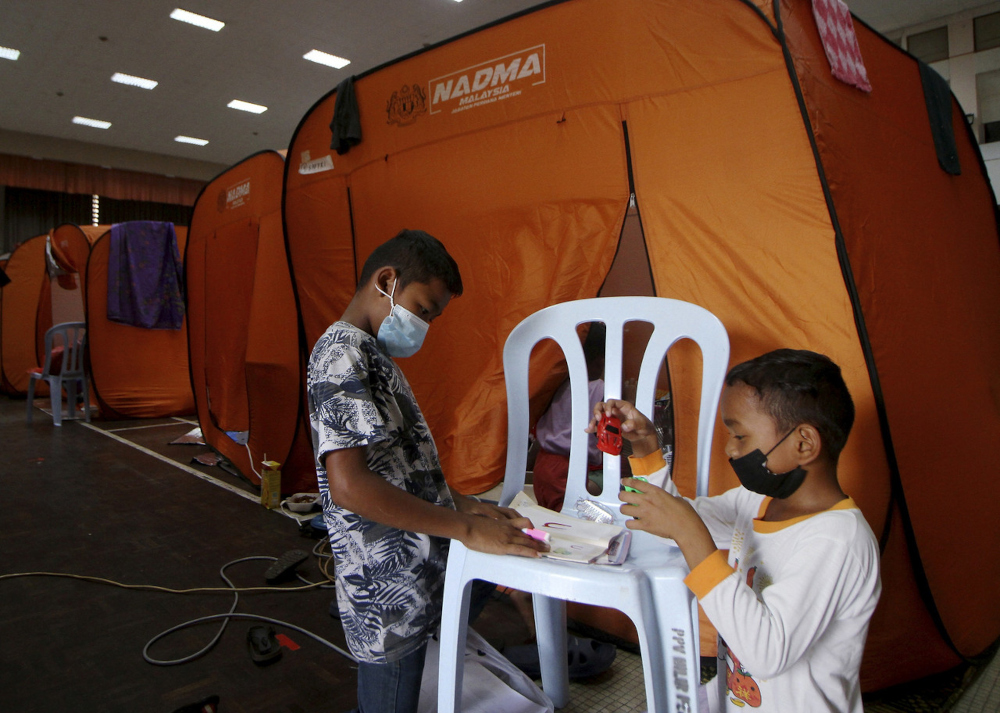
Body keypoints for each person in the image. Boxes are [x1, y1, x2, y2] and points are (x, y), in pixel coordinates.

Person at [307, 229, 546, 713]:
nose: (424, 325)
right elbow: (351, 486)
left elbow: (403, 469)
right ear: (387, 281)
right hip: (385, 589)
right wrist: (464, 528)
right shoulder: (340, 356)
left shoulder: (374, 356)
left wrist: (471, 508)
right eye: (422, 308)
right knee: (391, 693)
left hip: (415, 574)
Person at [590, 349, 881, 712]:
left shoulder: (838, 540)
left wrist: (692, 538)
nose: (729, 447)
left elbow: (766, 652)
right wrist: (646, 444)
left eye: (740, 436)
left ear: (804, 443)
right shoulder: (756, 501)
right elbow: (682, 518)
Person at [532, 322, 606, 512]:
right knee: (572, 519)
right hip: (572, 469)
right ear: (600, 360)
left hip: (543, 465)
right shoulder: (600, 388)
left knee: (551, 516)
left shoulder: (555, 385)